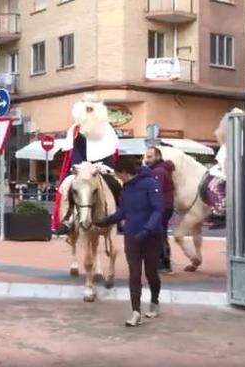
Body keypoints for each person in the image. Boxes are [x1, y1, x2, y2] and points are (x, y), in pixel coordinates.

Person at [96, 156, 164, 327]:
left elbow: (158, 210)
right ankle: (136, 312)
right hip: (132, 236)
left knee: (150, 272)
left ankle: (154, 302)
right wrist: (105, 221)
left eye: (118, 174)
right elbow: (123, 211)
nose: (118, 177)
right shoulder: (126, 187)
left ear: (125, 172)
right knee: (134, 273)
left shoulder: (150, 184)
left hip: (151, 236)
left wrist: (147, 229)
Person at [53, 94, 120, 235]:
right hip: (79, 168)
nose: (89, 112)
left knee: (117, 185)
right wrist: (77, 167)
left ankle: (120, 217)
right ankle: (68, 218)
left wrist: (104, 166)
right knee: (66, 186)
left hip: (101, 167)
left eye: (92, 109)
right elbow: (72, 153)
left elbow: (111, 151)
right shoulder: (75, 130)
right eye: (86, 109)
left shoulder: (107, 129)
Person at [144, 147, 175, 273]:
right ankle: (163, 262)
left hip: (160, 207)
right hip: (165, 206)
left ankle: (162, 263)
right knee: (161, 233)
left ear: (158, 157)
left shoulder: (158, 172)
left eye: (150, 157)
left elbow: (155, 191)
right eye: (146, 156)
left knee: (157, 234)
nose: (146, 160)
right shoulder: (162, 169)